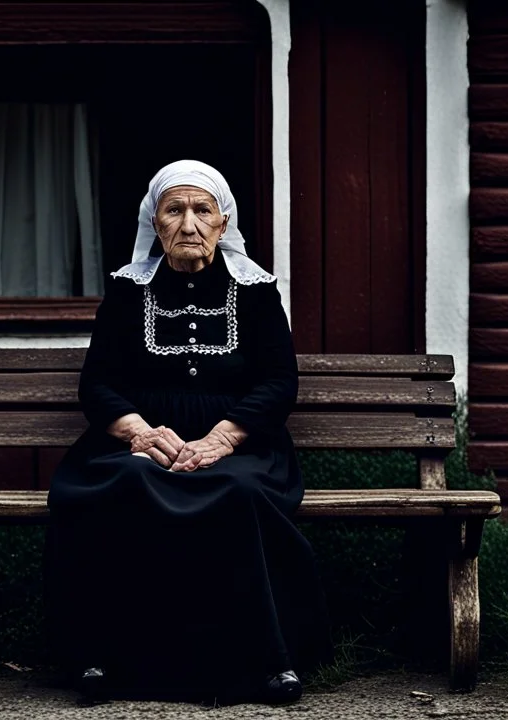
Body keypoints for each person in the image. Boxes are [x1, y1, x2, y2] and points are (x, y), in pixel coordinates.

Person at [45, 161, 333, 705]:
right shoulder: (128, 292)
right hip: (139, 444)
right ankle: (103, 660)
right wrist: (139, 433)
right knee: (126, 484)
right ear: (154, 224)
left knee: (239, 490)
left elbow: (279, 381)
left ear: (224, 224)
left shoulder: (256, 291)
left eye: (203, 210)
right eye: (174, 210)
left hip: (240, 445)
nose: (189, 224)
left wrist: (223, 439)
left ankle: (268, 660)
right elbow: (98, 384)